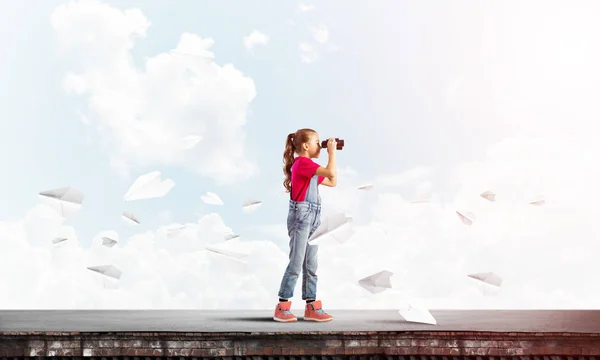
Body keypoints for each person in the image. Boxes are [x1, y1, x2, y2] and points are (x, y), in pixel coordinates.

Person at [273, 128, 338, 322]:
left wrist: (331, 156)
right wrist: (332, 153)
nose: (321, 145)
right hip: (302, 218)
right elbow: (330, 171)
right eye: (318, 142)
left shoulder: (310, 168)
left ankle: (311, 306)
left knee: (311, 264)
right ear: (305, 146)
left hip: (313, 218)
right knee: (296, 262)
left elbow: (333, 181)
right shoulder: (302, 163)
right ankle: (282, 306)